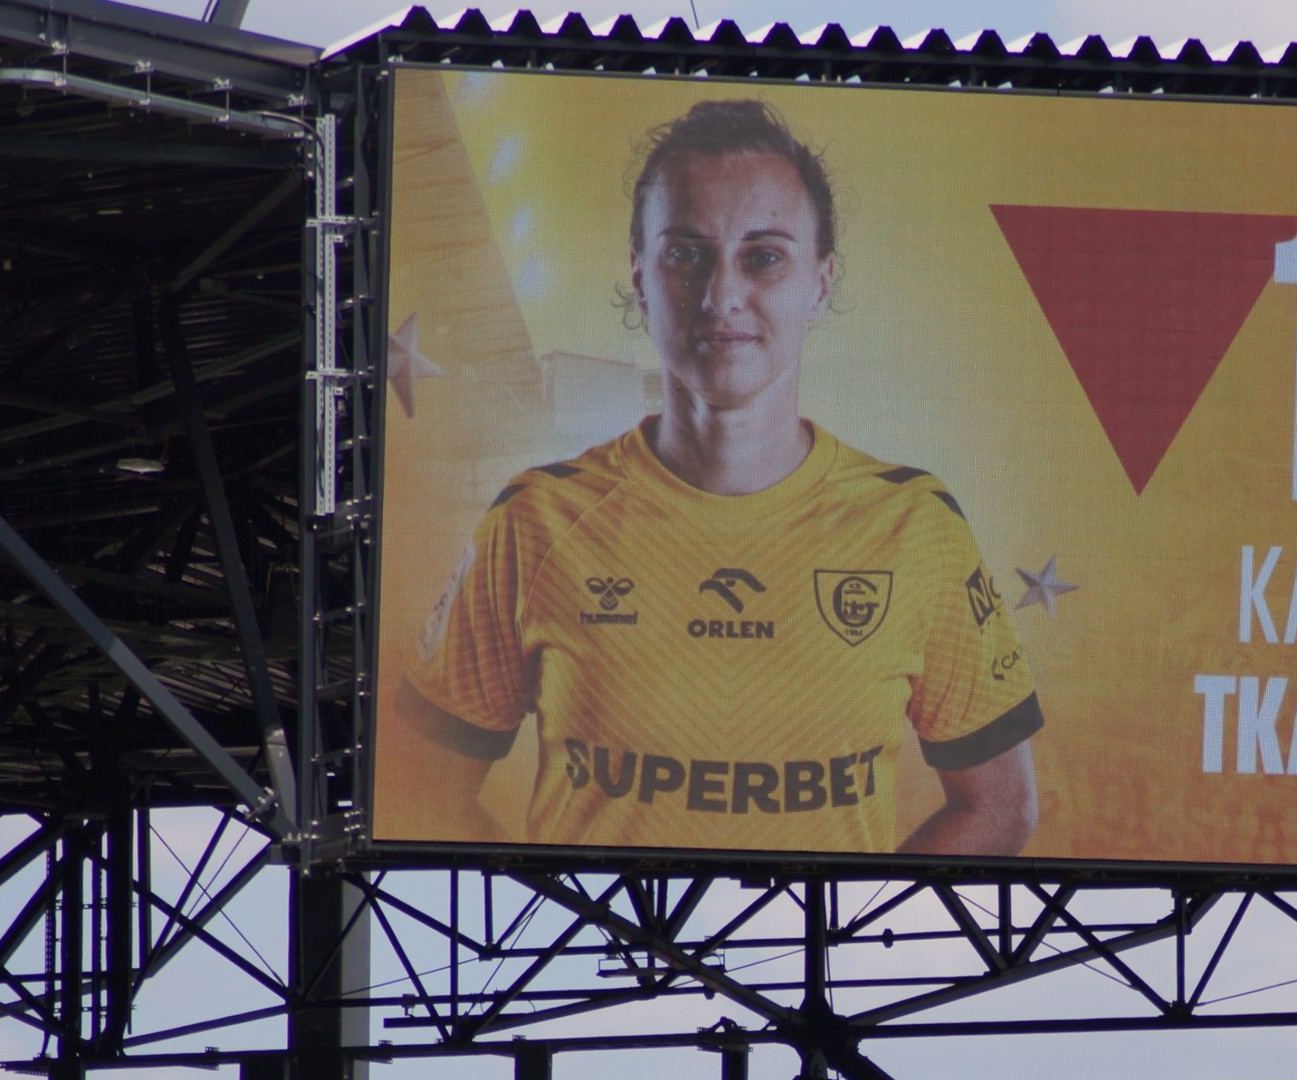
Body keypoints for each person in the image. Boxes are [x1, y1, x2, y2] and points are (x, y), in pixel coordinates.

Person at [386, 98, 1041, 856]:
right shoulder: (535, 522)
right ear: (640, 276)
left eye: (763, 257)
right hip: (609, 943)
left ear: (820, 282)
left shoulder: (916, 528)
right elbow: (417, 792)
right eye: (685, 253)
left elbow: (1001, 805)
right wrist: (568, 914)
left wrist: (851, 920)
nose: (721, 295)